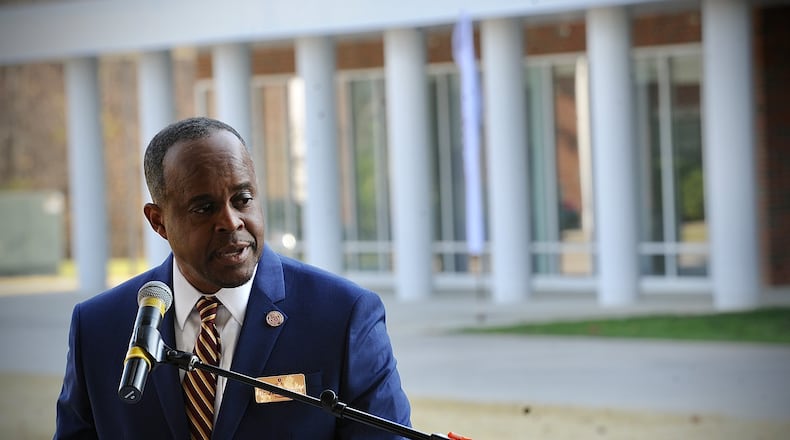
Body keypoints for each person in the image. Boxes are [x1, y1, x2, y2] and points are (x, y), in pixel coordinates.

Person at [54, 116, 412, 439]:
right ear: (158, 221)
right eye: (204, 208)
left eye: (242, 198)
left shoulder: (343, 315)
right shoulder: (98, 327)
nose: (231, 221)